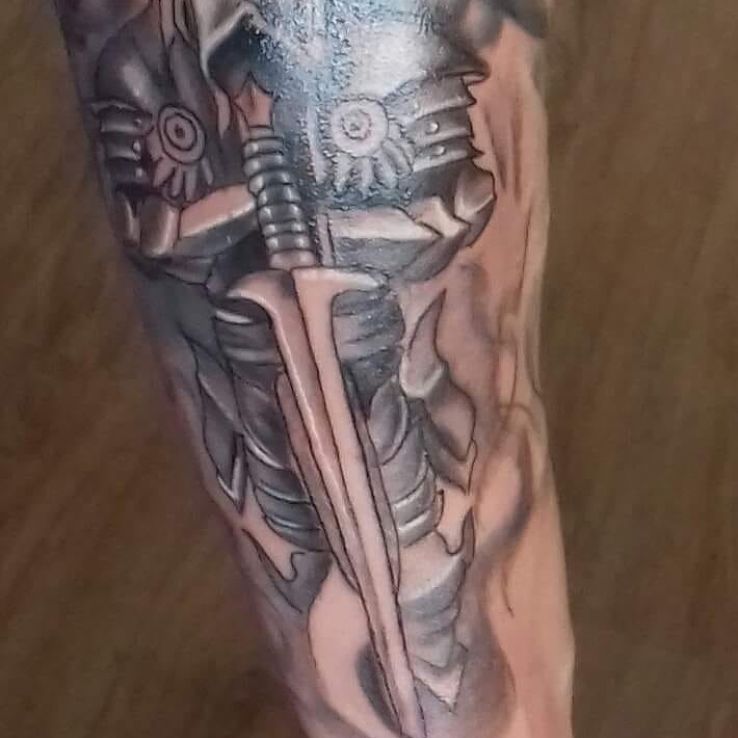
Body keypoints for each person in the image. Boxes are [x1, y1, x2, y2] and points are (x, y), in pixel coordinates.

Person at [53, 1, 574, 736]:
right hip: (270, 278)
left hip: (357, 253)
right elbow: (157, 219)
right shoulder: (147, 62)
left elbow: (452, 195)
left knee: (439, 523)